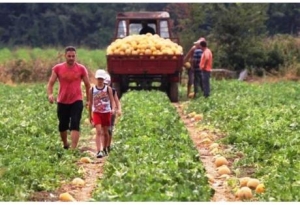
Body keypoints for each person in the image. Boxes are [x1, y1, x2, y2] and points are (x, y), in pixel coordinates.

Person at [47, 46, 91, 150]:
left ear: (76, 56)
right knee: (62, 125)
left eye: (73, 56)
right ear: (65, 56)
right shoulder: (58, 68)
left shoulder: (81, 68)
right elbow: (50, 83)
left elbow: (88, 85)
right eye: (69, 56)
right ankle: (66, 144)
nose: (71, 58)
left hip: (77, 100)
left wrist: (88, 100)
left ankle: (73, 149)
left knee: (75, 123)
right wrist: (50, 94)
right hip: (62, 101)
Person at [88, 69, 115, 158]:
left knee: (106, 132)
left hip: (106, 112)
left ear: (104, 80)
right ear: (96, 78)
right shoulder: (92, 89)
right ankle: (99, 151)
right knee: (98, 131)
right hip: (97, 112)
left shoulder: (108, 89)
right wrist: (90, 115)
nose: (100, 80)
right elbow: (90, 103)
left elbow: (112, 100)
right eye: (99, 78)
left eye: (101, 79)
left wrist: (113, 109)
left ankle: (105, 148)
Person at [104, 73, 122, 153]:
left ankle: (108, 146)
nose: (105, 85)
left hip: (110, 113)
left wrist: (119, 110)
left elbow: (117, 101)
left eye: (107, 83)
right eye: (104, 83)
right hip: (101, 113)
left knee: (109, 130)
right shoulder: (97, 91)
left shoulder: (113, 91)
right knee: (102, 130)